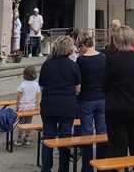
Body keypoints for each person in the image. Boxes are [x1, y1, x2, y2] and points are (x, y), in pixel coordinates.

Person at [103, 26, 134, 172]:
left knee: (118, 150)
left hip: (117, 108)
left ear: (116, 41)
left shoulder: (112, 60)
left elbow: (105, 85)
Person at [39, 36, 81, 172]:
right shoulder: (73, 65)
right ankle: (63, 168)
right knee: (65, 137)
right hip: (67, 104)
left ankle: (46, 168)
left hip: (49, 103)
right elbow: (78, 88)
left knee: (48, 136)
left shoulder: (47, 64)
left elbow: (41, 85)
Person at [75, 32, 108, 171]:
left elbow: (79, 81)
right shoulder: (103, 57)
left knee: (87, 134)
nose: (77, 50)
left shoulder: (81, 61)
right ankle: (103, 163)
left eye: (78, 47)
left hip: (86, 99)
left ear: (82, 45)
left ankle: (87, 167)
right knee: (102, 132)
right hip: (101, 97)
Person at [14, 65, 41, 146]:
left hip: (23, 105)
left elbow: (19, 97)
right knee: (29, 122)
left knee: (22, 122)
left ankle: (19, 138)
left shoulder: (22, 84)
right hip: (31, 105)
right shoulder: (36, 85)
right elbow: (38, 97)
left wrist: (17, 106)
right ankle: (27, 137)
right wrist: (38, 106)